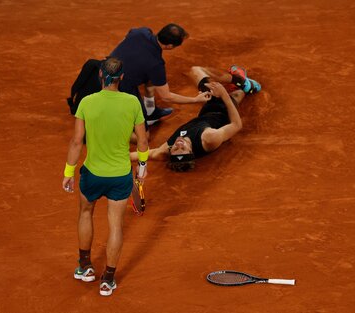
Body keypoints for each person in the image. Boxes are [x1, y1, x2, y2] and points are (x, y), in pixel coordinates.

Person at [62, 57, 149, 296]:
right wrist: (141, 167)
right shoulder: (132, 102)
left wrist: (68, 172)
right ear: (121, 77)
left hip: (92, 175)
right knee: (115, 226)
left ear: (101, 75)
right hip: (120, 176)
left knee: (85, 212)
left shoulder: (87, 103)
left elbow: (77, 141)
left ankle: (85, 267)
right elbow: (142, 140)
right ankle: (108, 280)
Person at [131, 65, 261, 171]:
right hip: (224, 110)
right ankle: (243, 83)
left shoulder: (165, 150)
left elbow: (139, 155)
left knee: (194, 71)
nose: (179, 144)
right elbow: (236, 125)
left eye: (176, 149)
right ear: (191, 151)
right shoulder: (209, 139)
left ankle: (240, 86)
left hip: (206, 109)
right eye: (183, 148)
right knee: (198, 71)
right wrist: (223, 94)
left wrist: (113, 160)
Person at [109, 23, 211, 128]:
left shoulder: (141, 32)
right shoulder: (156, 64)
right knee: (143, 133)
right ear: (170, 46)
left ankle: (150, 111)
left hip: (103, 69)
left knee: (151, 79)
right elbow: (166, 97)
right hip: (115, 87)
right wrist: (195, 99)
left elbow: (131, 31)